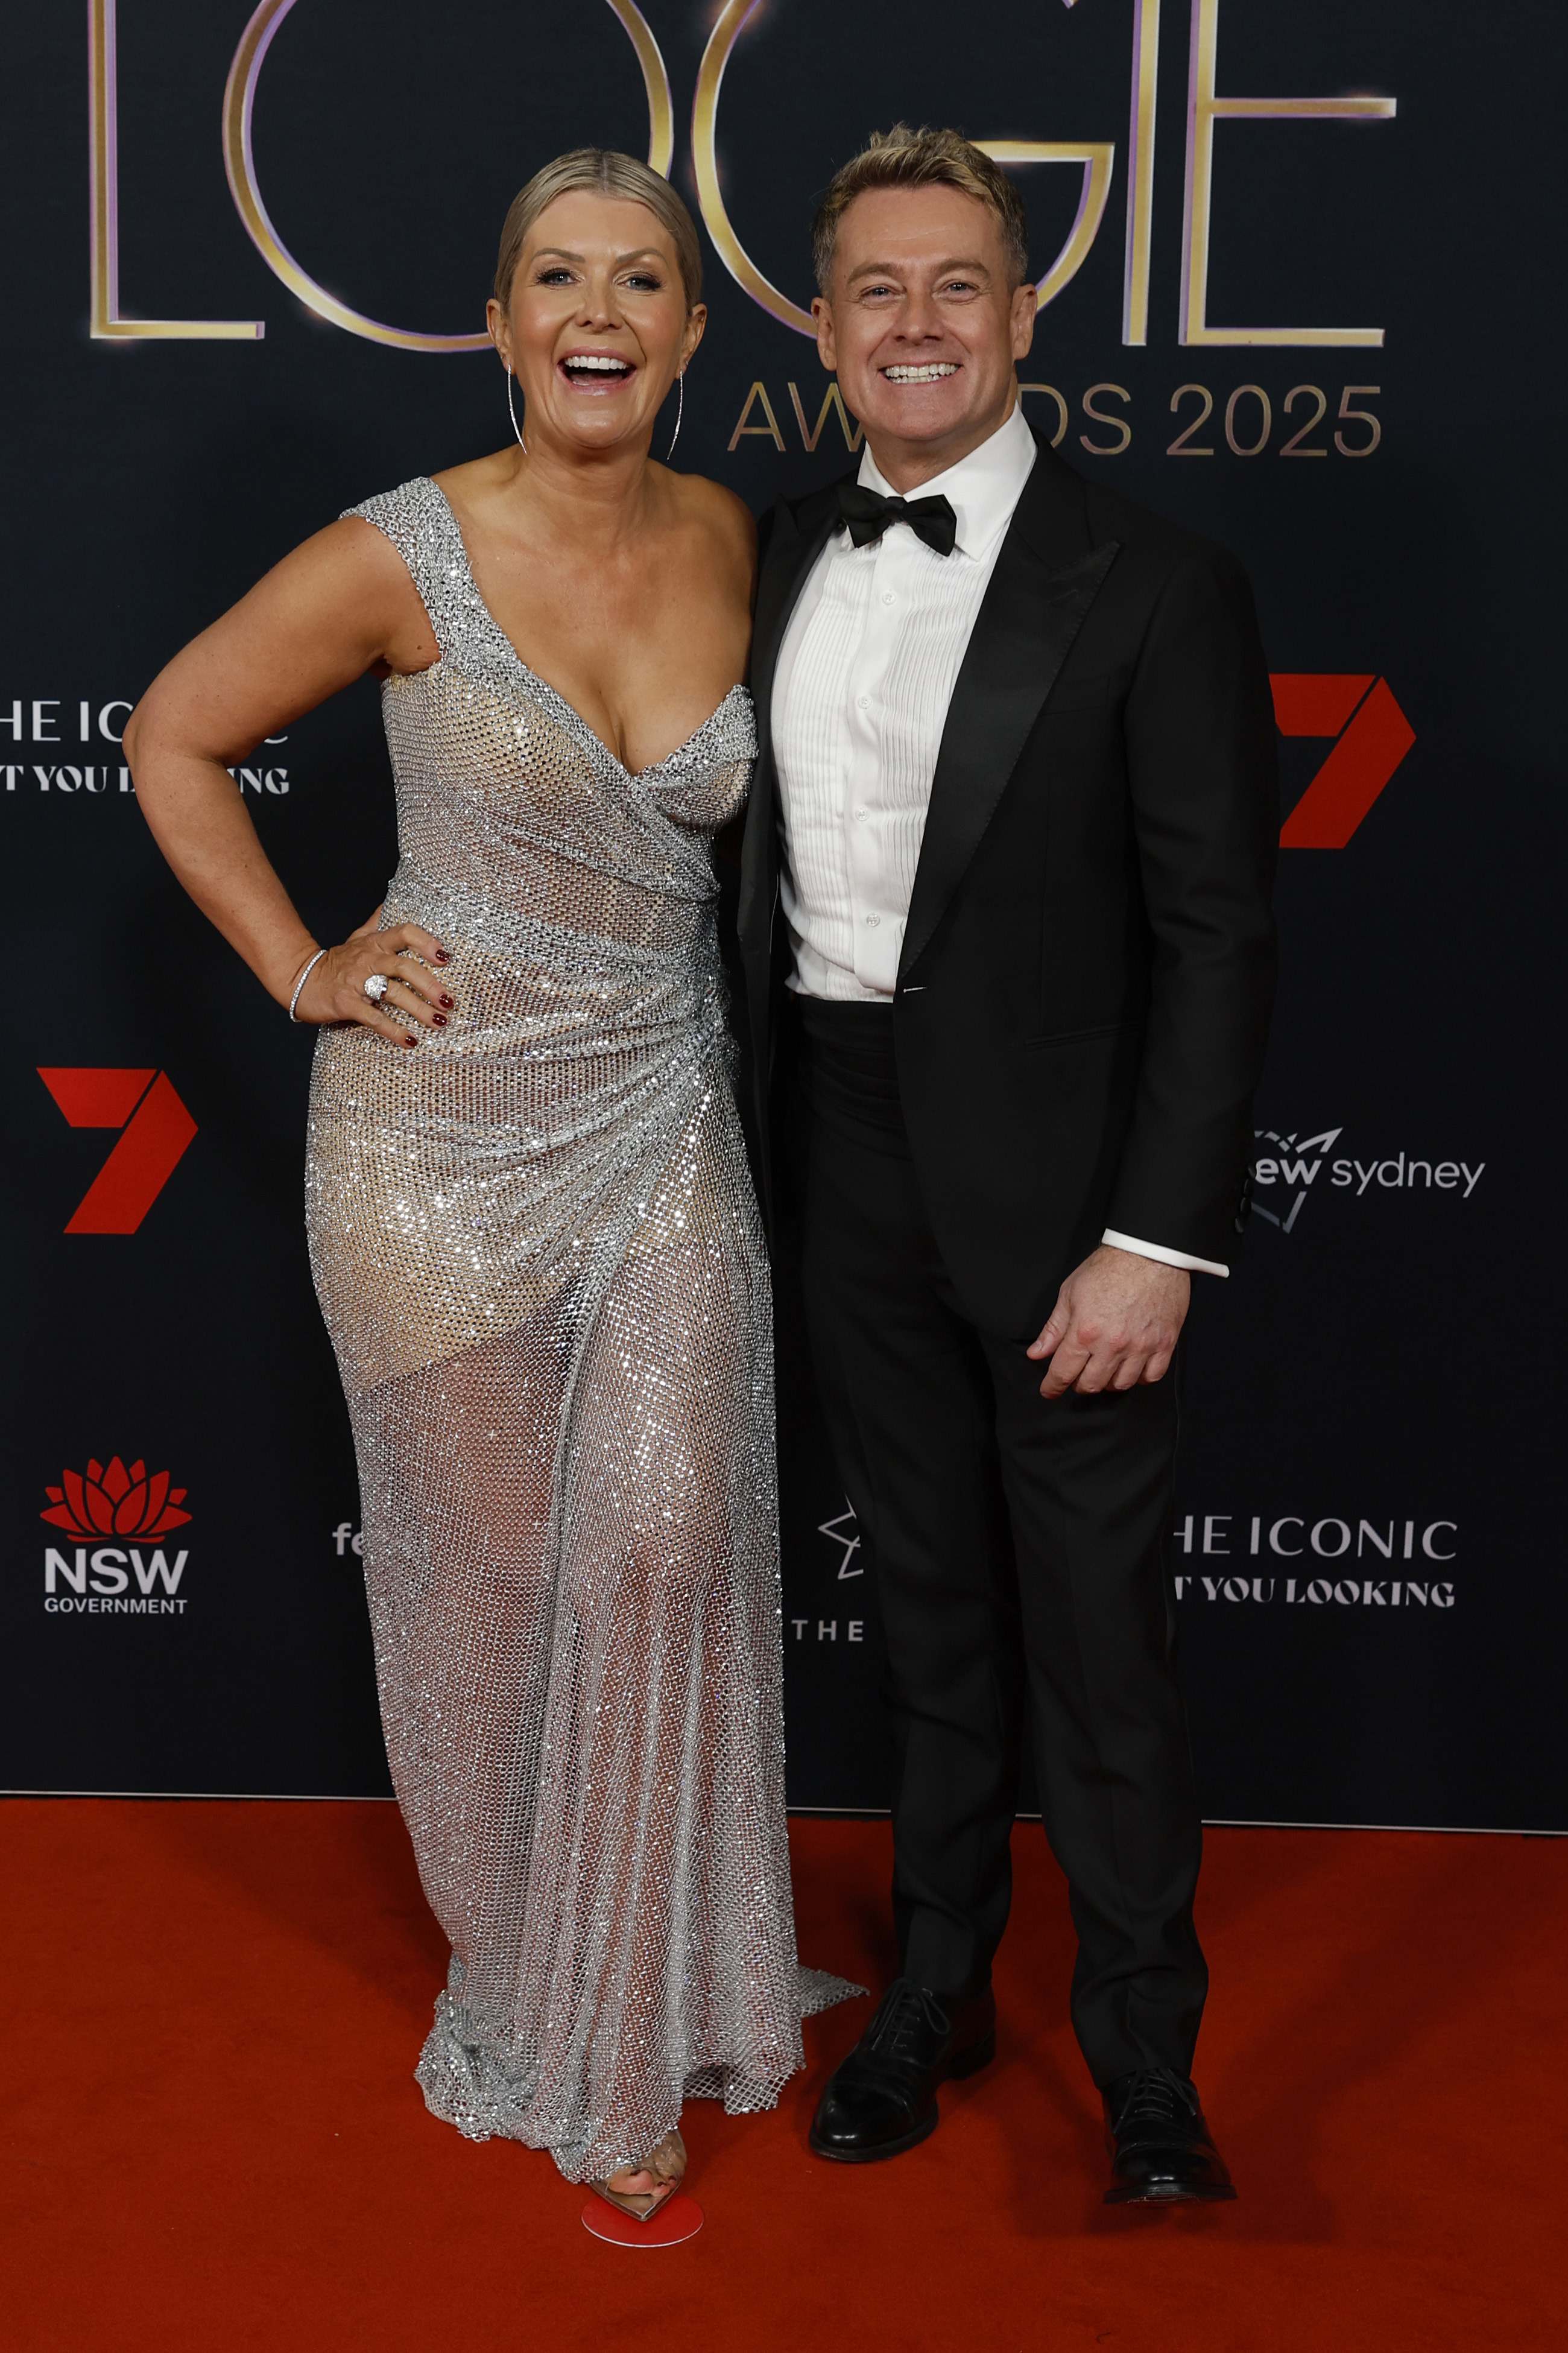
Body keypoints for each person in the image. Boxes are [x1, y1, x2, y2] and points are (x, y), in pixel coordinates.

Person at [125, 147, 852, 2225]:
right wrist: (303, 967)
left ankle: (671, 1959)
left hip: (663, 1124)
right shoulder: (397, 553)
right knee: (504, 1592)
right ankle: (563, 2018)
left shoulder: (734, 538)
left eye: (644, 279)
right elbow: (175, 735)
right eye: (560, 278)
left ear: (698, 336)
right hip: (430, 1146)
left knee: (667, 1536)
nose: (600, 312)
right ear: (508, 319)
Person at [738, 126, 1277, 2202]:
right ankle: (935, 1998)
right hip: (839, 1149)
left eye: (959, 283)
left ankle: (1152, 2070)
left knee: (1103, 1648)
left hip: (1071, 1201)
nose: (918, 324)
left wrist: (1156, 1241)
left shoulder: (1152, 583)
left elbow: (1218, 936)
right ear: (821, 324)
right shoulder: (772, 549)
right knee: (934, 1625)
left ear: (1025, 314)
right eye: (877, 288)